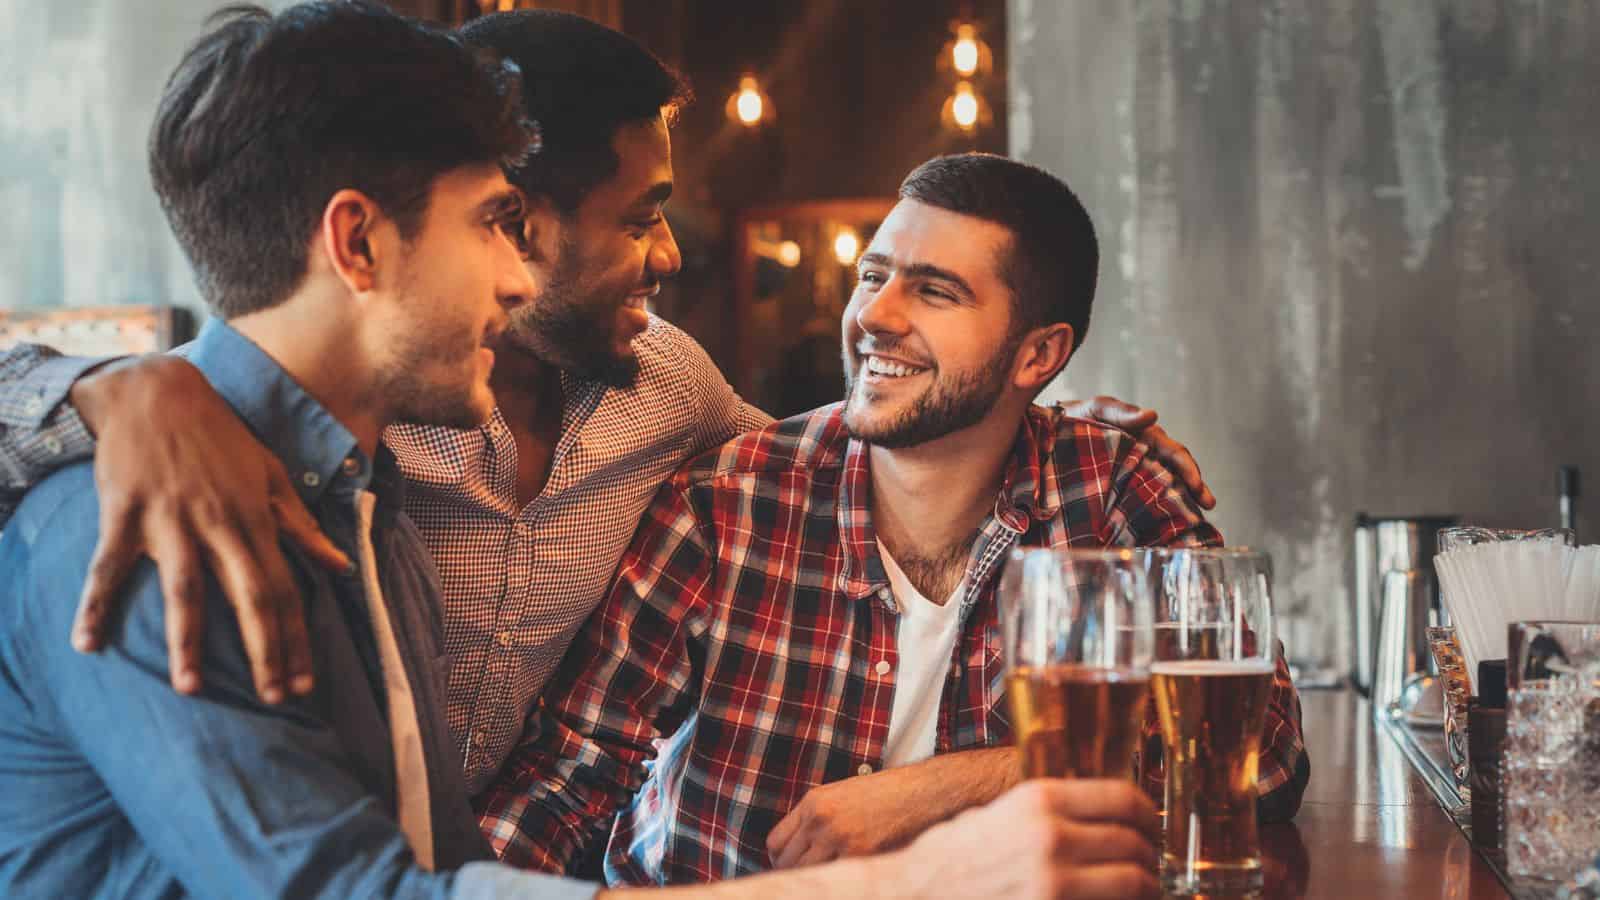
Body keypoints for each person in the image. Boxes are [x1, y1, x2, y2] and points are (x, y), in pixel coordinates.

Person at [0, 5, 1163, 899]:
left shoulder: (368, 488)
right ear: (355, 242)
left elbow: (826, 480)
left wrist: (1061, 435)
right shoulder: (164, 510)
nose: (517, 276)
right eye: (498, 227)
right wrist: (105, 391)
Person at [486, 154, 1310, 885]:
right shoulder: (729, 500)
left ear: (1038, 356)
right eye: (874, 275)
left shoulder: (1111, 491)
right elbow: (571, 781)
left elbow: (1262, 756)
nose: (875, 315)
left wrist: (944, 788)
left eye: (935, 290)